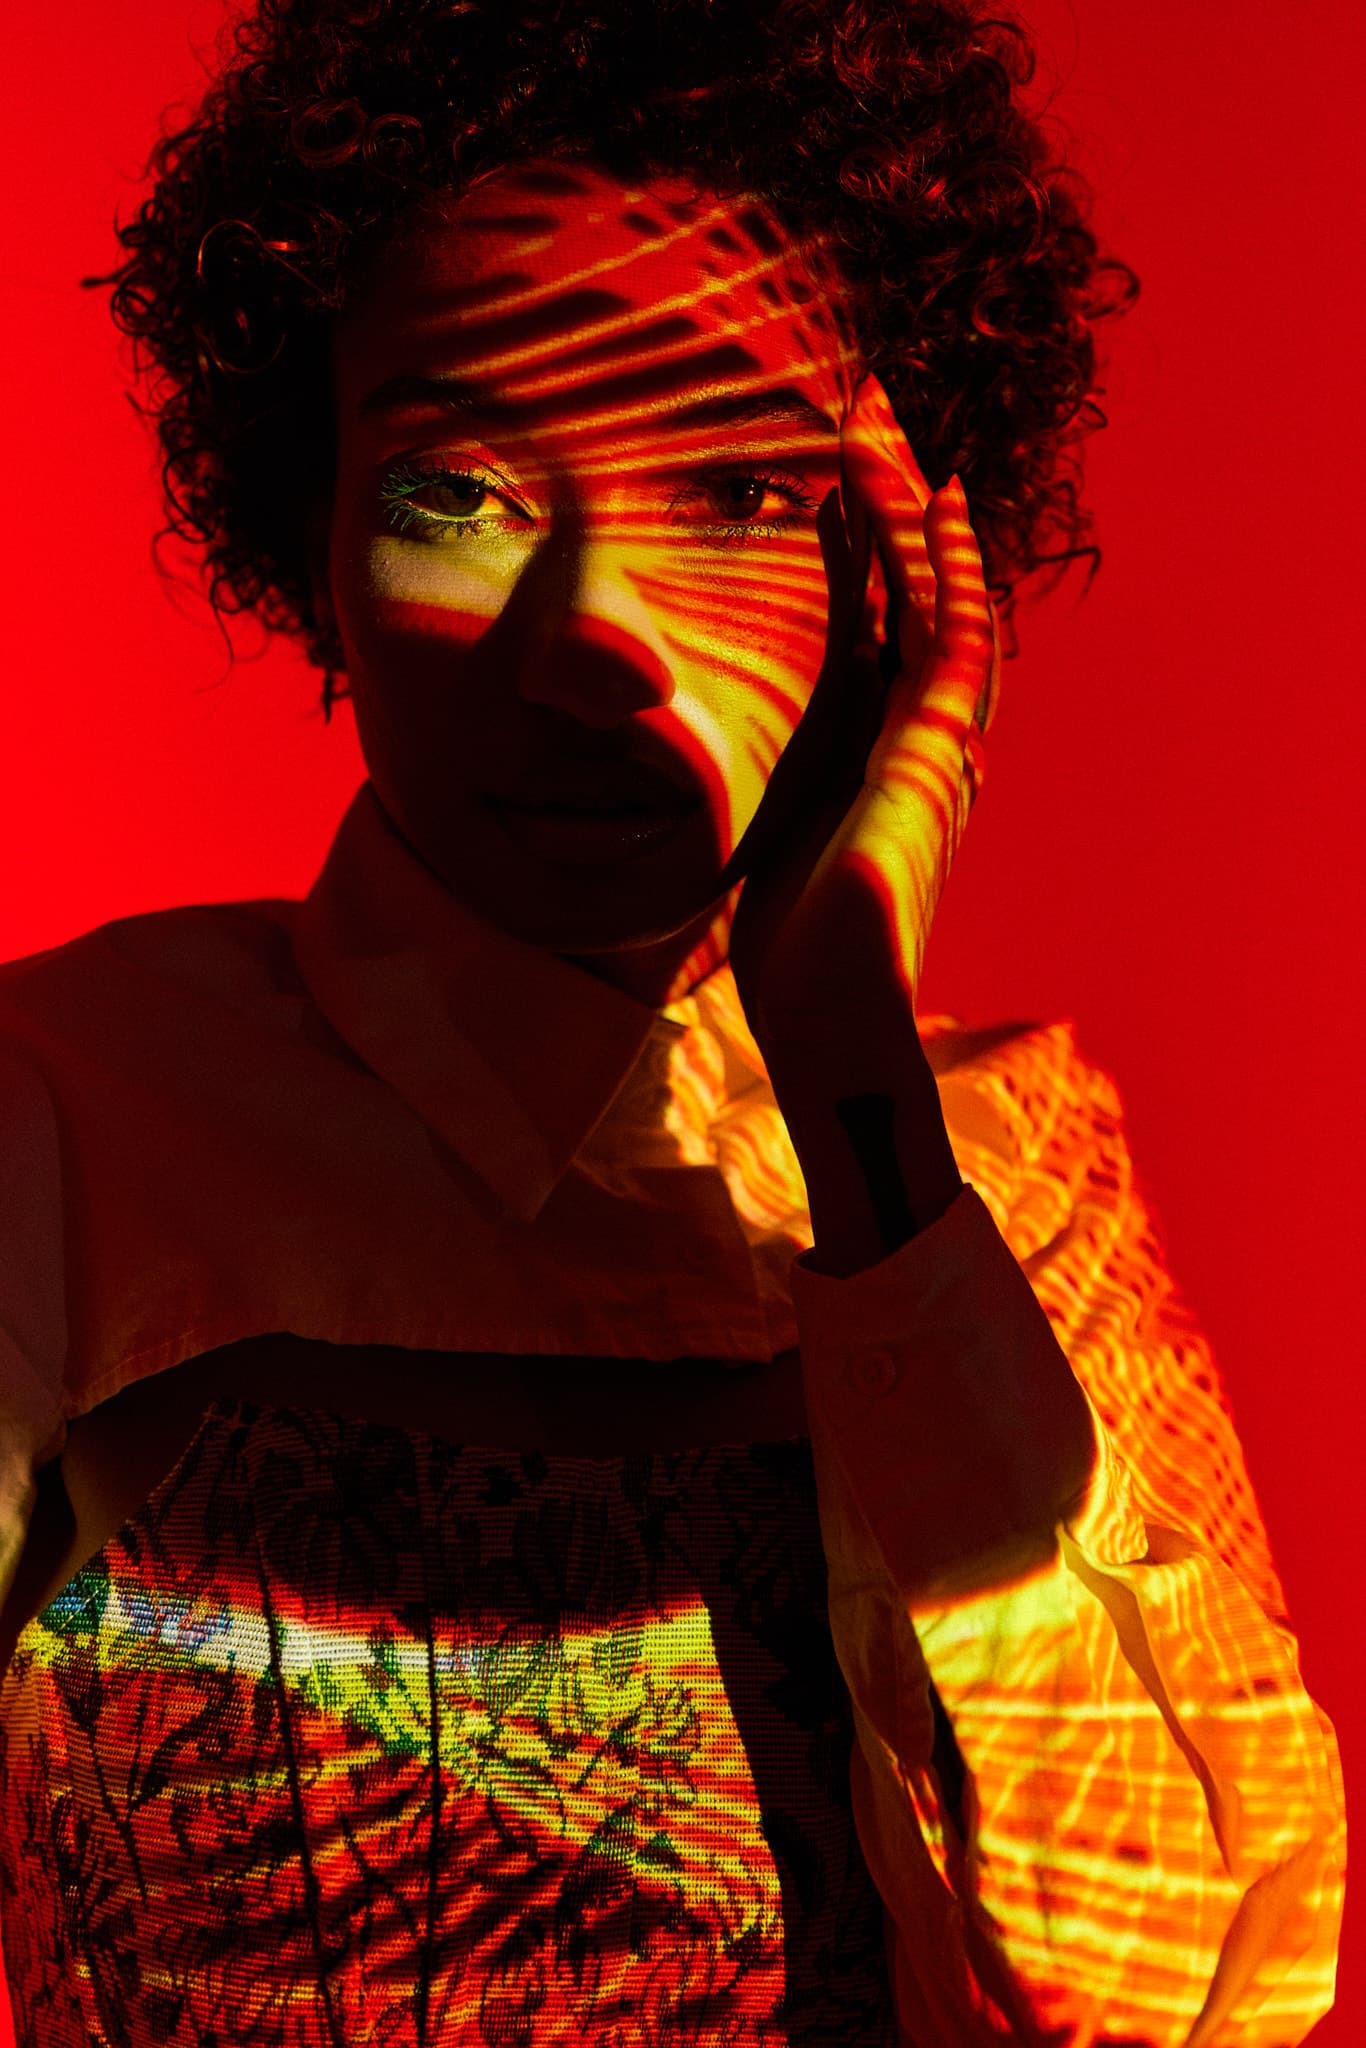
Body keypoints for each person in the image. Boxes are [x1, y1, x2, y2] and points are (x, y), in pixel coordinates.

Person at [0, 0, 1344, 2041]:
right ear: (306, 525)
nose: (594, 645)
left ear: (902, 569)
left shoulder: (998, 1162)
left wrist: (858, 1102)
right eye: (460, 489)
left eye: (728, 491)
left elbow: (1200, 1990)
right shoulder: (62, 1115)